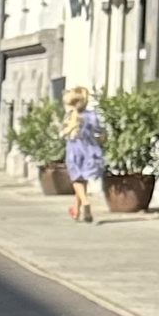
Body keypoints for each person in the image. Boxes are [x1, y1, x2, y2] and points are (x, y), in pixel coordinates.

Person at [63, 85, 104, 224]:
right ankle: (76, 209)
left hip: (74, 149)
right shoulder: (91, 115)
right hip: (89, 149)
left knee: (76, 179)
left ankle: (85, 202)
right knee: (83, 180)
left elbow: (63, 132)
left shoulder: (71, 116)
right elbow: (99, 129)